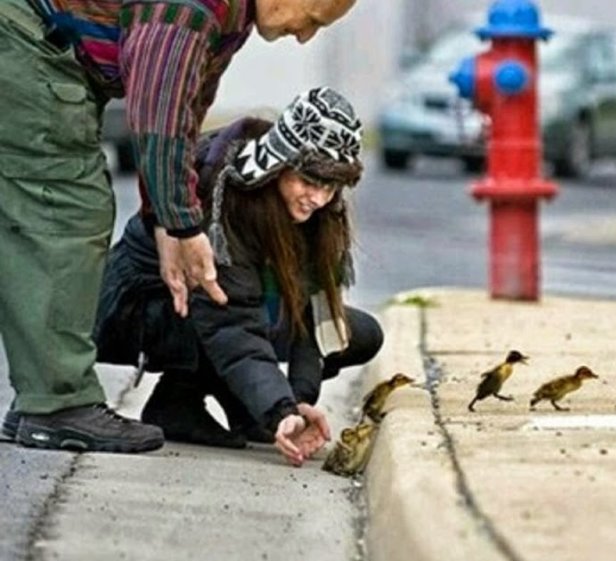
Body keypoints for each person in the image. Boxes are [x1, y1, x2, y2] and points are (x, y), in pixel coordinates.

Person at [0, 0, 361, 454]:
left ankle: (63, 401)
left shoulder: (233, 18)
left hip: (48, 49)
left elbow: (187, 114)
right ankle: (55, 406)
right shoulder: (197, 5)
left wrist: (163, 219)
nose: (307, 36)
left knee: (353, 328)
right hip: (26, 39)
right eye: (313, 19)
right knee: (67, 203)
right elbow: (159, 109)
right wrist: (182, 225)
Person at [92, 87, 383, 466]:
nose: (317, 198)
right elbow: (230, 326)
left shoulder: (322, 214)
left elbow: (316, 316)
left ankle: (235, 404)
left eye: (329, 187)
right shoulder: (226, 191)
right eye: (308, 182)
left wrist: (296, 401)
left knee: (357, 333)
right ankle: (180, 400)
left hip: (224, 310)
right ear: (280, 162)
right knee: (238, 315)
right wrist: (277, 409)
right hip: (137, 309)